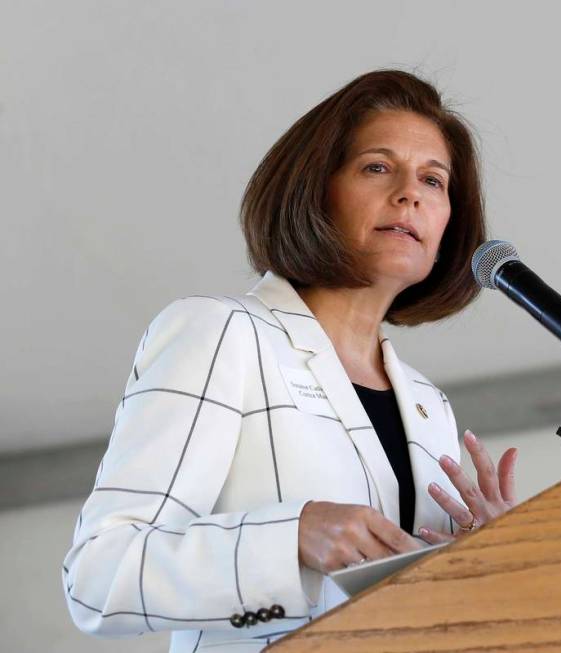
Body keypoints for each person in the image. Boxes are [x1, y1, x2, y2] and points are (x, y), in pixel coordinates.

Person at [62, 69, 519, 652]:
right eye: (378, 167)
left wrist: (495, 557)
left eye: (433, 180)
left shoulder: (430, 407)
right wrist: (291, 538)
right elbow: (99, 577)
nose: (410, 193)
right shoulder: (222, 333)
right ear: (316, 189)